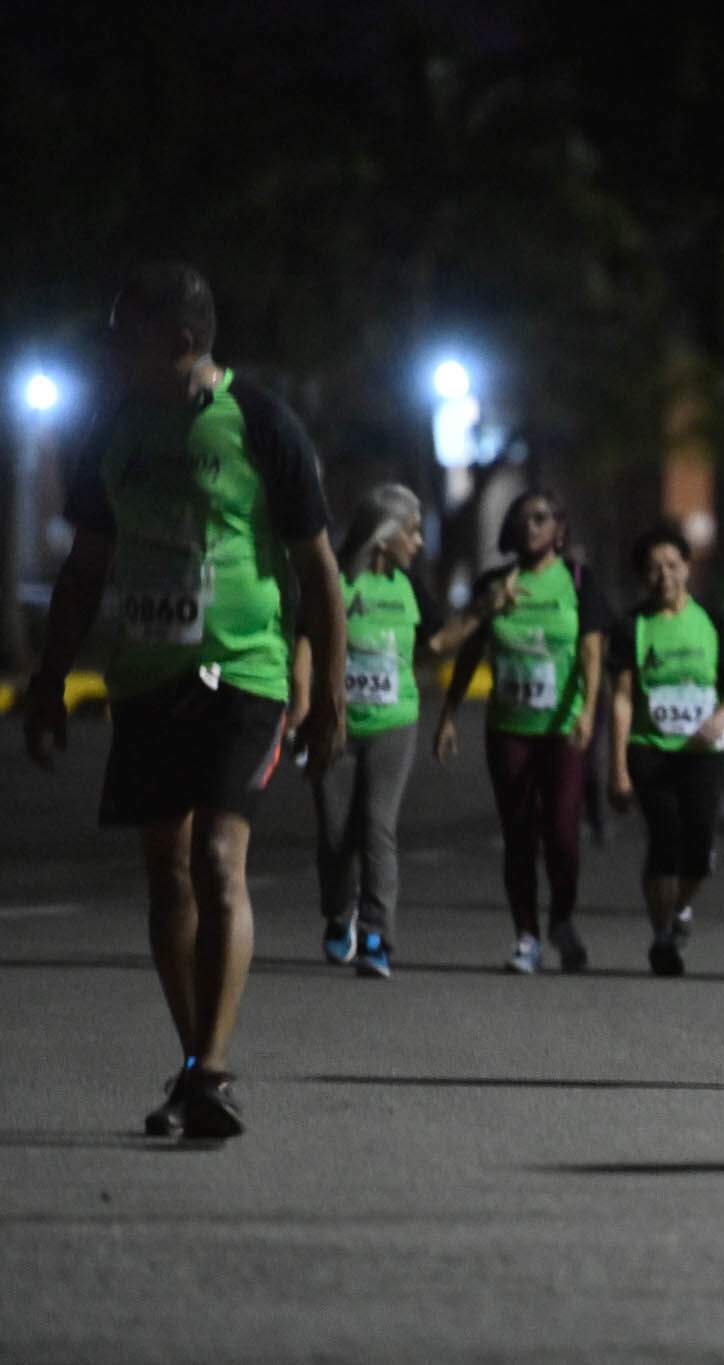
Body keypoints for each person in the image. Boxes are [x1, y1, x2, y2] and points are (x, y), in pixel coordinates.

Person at [23, 261, 346, 1139]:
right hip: (146, 677)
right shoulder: (114, 429)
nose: (108, 347)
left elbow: (318, 569)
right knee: (166, 872)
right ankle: (198, 1063)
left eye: (124, 332)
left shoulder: (262, 423)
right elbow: (85, 567)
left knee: (217, 859)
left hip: (244, 670)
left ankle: (212, 1066)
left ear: (180, 339)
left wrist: (328, 692)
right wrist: (48, 682)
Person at [294, 483, 485, 979]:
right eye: (412, 531)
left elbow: (437, 642)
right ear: (383, 535)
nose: (418, 542)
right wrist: (302, 710)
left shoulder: (409, 588)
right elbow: (306, 645)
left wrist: (482, 611)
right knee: (335, 834)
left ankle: (377, 935)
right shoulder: (334, 580)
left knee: (377, 826)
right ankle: (339, 914)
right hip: (335, 725)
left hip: (394, 724)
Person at [434, 489, 612, 974]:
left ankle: (563, 918)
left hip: (562, 727)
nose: (531, 526)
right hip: (509, 727)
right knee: (518, 834)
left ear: (559, 528)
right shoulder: (495, 583)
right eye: (522, 518)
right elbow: (468, 651)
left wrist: (587, 712)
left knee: (562, 831)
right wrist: (449, 714)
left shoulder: (578, 581)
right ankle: (527, 936)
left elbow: (591, 651)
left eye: (541, 517)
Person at [607, 522, 724, 976]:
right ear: (642, 576)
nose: (664, 575)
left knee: (700, 849)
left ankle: (680, 907)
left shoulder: (712, 620)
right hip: (651, 748)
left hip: (704, 753)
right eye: (654, 568)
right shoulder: (632, 625)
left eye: (672, 565)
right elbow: (622, 699)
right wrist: (618, 769)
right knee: (664, 839)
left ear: (687, 568)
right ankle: (662, 936)